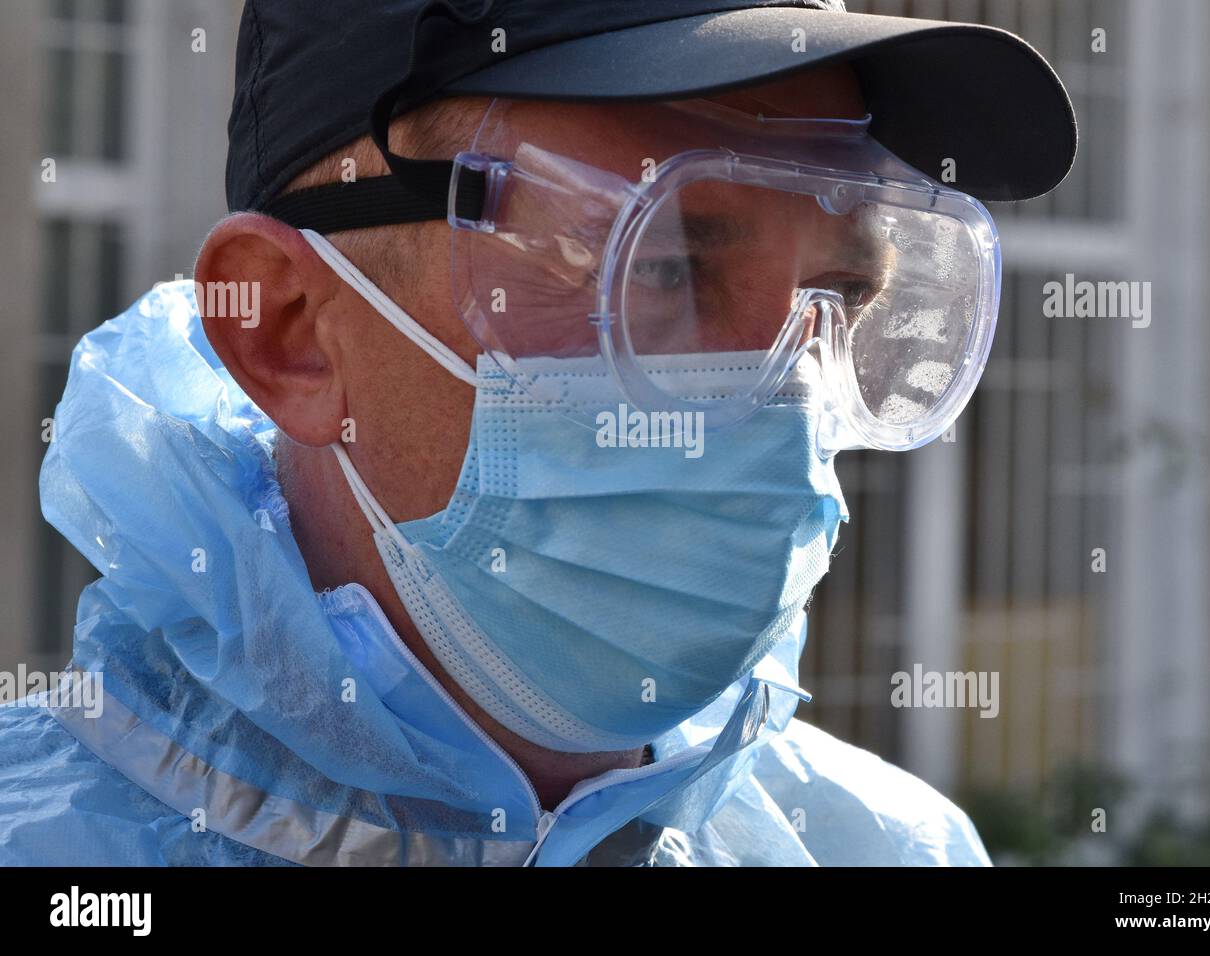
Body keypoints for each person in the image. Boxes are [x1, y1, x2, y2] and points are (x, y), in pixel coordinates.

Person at [0, 0, 1074, 866]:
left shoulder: (890, 847)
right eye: (662, 264)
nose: (783, 391)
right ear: (292, 332)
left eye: (837, 290)